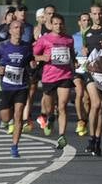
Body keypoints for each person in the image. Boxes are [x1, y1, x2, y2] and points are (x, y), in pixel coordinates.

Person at [0, 16, 35, 158]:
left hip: (21, 86)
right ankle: (6, 120)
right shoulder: (2, 46)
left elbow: (31, 60)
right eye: (15, 27)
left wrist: (32, 64)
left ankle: (15, 146)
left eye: (21, 28)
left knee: (18, 115)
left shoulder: (27, 46)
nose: (18, 30)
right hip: (6, 87)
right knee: (5, 117)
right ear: (10, 30)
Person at [31, 13, 76, 148]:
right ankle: (50, 117)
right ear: (51, 25)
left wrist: (74, 62)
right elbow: (33, 55)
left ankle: (62, 136)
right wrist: (42, 58)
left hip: (65, 75)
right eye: (55, 24)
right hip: (49, 77)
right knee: (49, 107)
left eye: (60, 24)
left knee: (62, 106)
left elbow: (71, 54)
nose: (58, 26)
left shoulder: (69, 39)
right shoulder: (44, 39)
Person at [81, 5, 102, 156]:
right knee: (95, 104)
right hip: (90, 72)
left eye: (100, 13)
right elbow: (85, 48)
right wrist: (83, 51)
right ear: (90, 15)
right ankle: (91, 139)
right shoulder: (86, 32)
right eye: (94, 14)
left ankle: (97, 141)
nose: (97, 16)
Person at [71, 12, 92, 137]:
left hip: (89, 69)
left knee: (87, 99)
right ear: (79, 22)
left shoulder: (93, 36)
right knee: (79, 92)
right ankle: (80, 120)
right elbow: (70, 53)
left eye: (88, 20)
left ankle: (85, 121)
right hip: (78, 70)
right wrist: (73, 61)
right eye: (84, 20)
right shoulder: (74, 37)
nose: (86, 22)